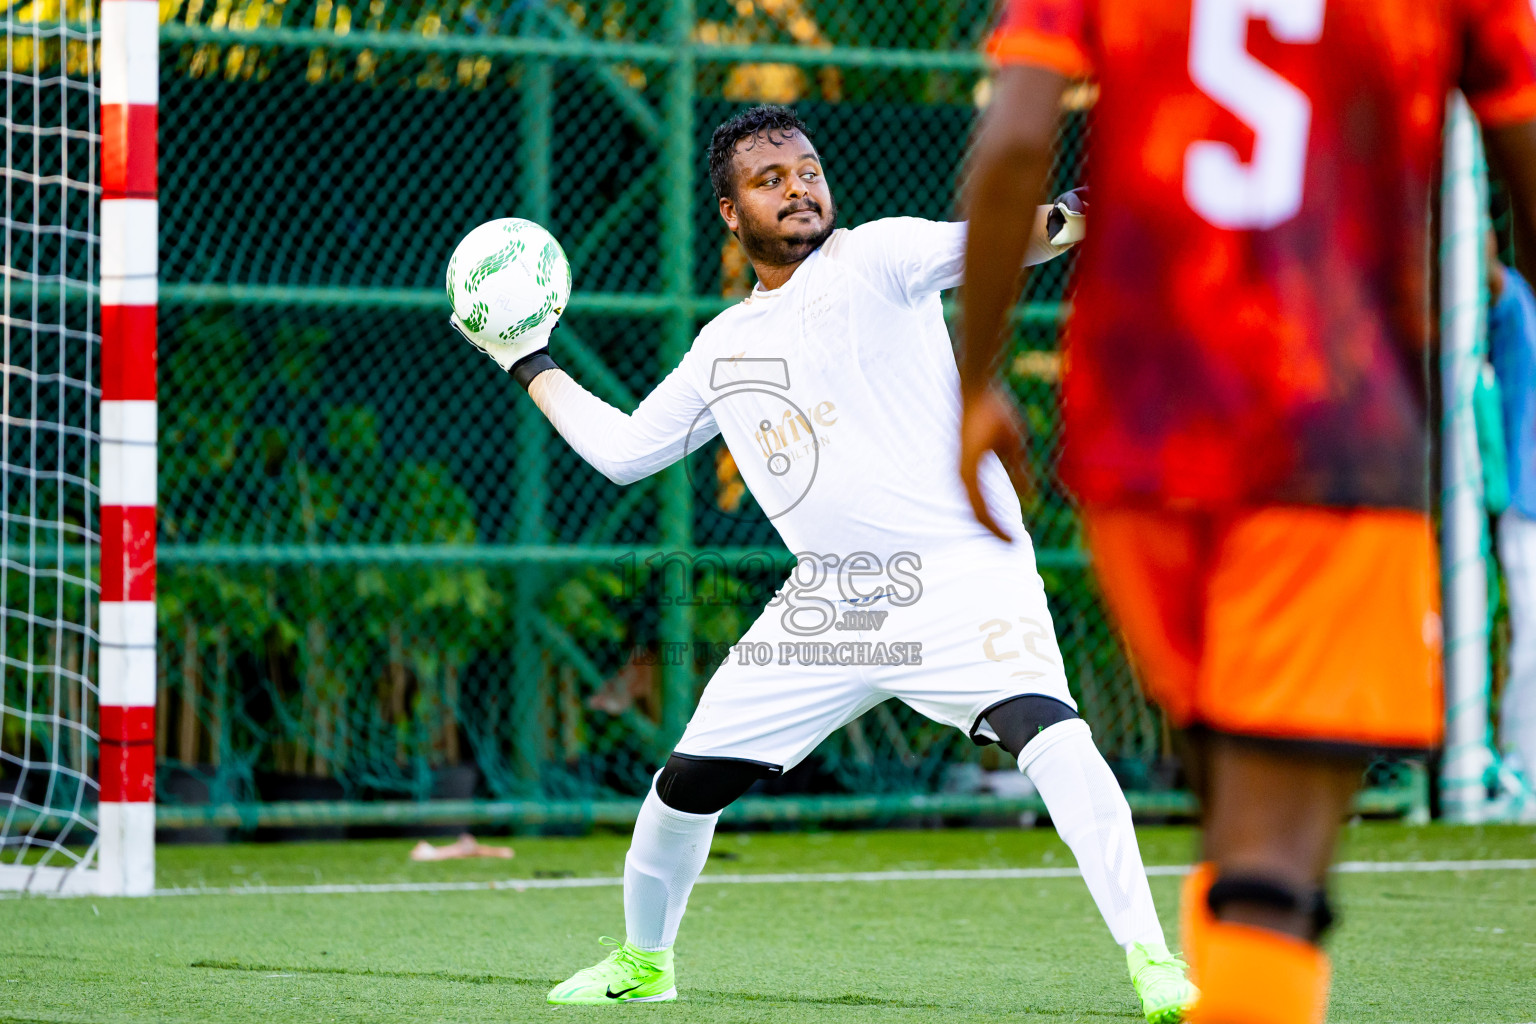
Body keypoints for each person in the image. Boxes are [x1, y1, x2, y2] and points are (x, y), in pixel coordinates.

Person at [456, 105, 1195, 1021]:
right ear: (731, 213)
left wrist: (1083, 210)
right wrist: (524, 357)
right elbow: (622, 452)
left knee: (1053, 736)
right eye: (769, 179)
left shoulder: (879, 256)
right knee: (684, 786)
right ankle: (645, 964)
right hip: (834, 603)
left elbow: (1011, 239)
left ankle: (1154, 961)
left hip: (967, 572)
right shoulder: (724, 347)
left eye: (806, 169)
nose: (798, 187)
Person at [956, 3, 1536, 1022]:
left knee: (1236, 817)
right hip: (1331, 432)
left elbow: (1012, 143)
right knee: (1277, 859)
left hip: (1139, 437)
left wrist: (975, 382)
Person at [1489, 247, 1536, 795]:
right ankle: (1520, 769)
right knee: (1529, 640)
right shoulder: (1518, 302)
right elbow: (1487, 273)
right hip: (1525, 501)